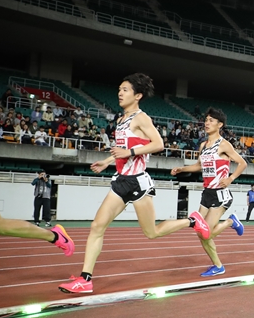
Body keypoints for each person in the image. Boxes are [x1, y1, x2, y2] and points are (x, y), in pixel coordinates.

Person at [59, 74, 210, 294]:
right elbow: (122, 152)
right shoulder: (121, 120)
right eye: (119, 89)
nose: (120, 93)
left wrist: (128, 152)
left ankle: (191, 221)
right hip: (121, 181)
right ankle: (86, 279)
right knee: (96, 227)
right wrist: (108, 161)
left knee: (152, 233)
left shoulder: (141, 118)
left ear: (137, 95)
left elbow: (158, 144)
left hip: (138, 182)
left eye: (125, 90)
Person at [170, 108, 246, 277]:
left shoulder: (224, 144)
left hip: (220, 193)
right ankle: (218, 266)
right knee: (200, 231)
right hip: (207, 193)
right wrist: (182, 168)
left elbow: (242, 163)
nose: (207, 123)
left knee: (207, 233)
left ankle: (230, 222)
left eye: (211, 120)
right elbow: (199, 166)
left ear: (220, 125)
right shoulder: (204, 145)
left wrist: (231, 178)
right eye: (206, 120)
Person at [0, 113, 74, 255]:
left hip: (44, 197)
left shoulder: (46, 178)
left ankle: (54, 236)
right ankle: (54, 236)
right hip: (38, 196)